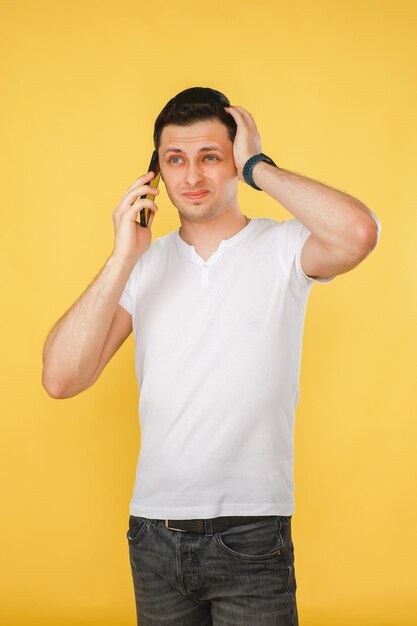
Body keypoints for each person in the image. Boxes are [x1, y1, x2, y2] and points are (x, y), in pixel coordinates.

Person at [42, 87, 381, 625]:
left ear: (234, 163)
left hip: (250, 535)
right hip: (153, 534)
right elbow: (61, 378)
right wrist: (122, 257)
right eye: (175, 160)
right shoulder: (143, 268)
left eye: (211, 158)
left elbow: (359, 233)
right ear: (157, 173)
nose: (192, 177)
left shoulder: (285, 249)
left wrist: (258, 166)